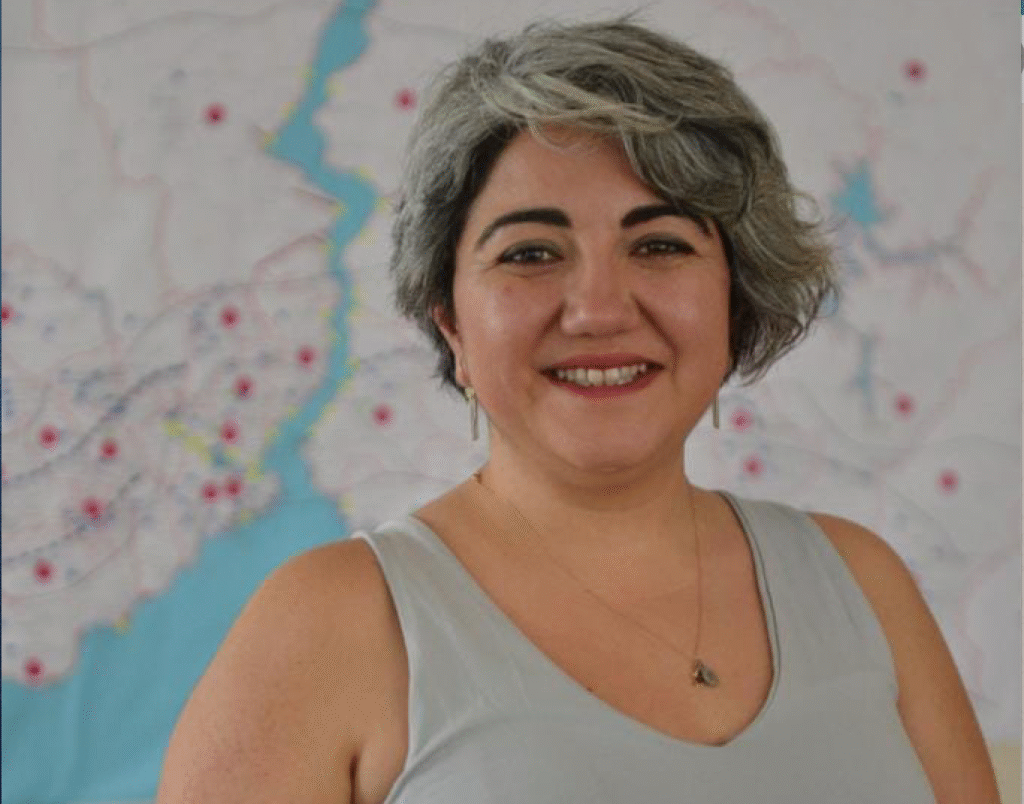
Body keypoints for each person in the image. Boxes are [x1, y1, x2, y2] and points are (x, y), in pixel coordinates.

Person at [155, 12, 1001, 804]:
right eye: (530, 253)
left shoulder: (861, 584)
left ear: (735, 299)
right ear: (450, 322)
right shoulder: (329, 625)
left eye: (659, 244)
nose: (598, 310)